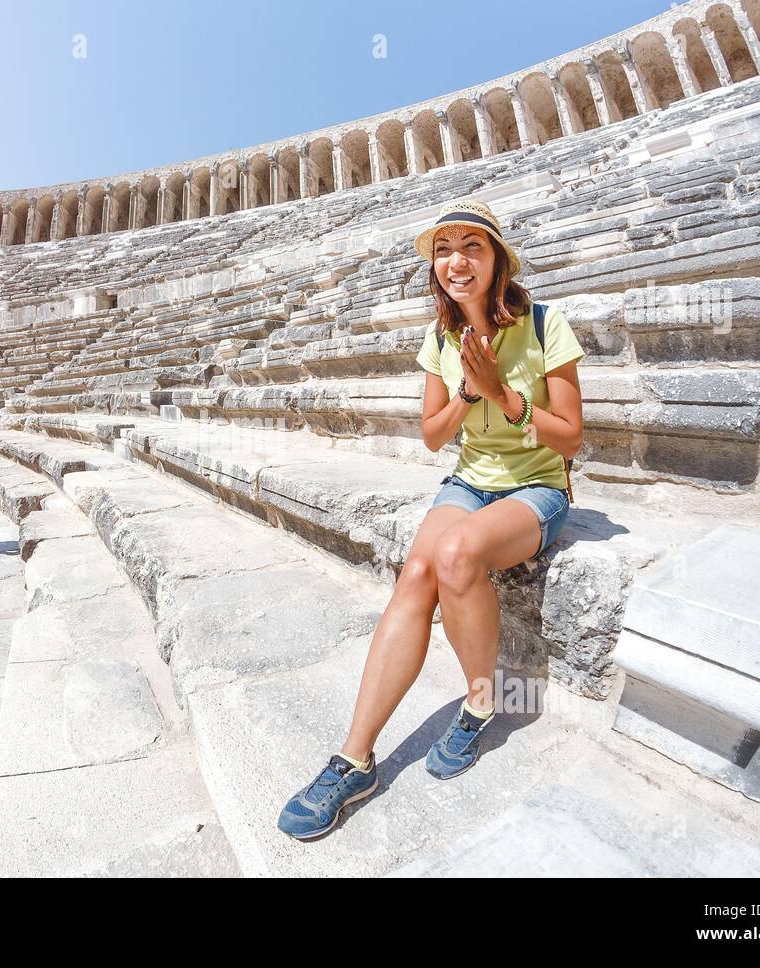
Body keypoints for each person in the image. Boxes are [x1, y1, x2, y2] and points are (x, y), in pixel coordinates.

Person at [277, 198, 586, 840]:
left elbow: (571, 440)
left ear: (497, 260)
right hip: (470, 481)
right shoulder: (440, 338)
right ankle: (353, 758)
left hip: (536, 487)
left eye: (472, 246)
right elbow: (432, 435)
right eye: (445, 249)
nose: (456, 260)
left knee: (455, 557)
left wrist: (505, 396)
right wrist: (470, 393)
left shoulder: (546, 324)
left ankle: (479, 702)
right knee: (416, 573)